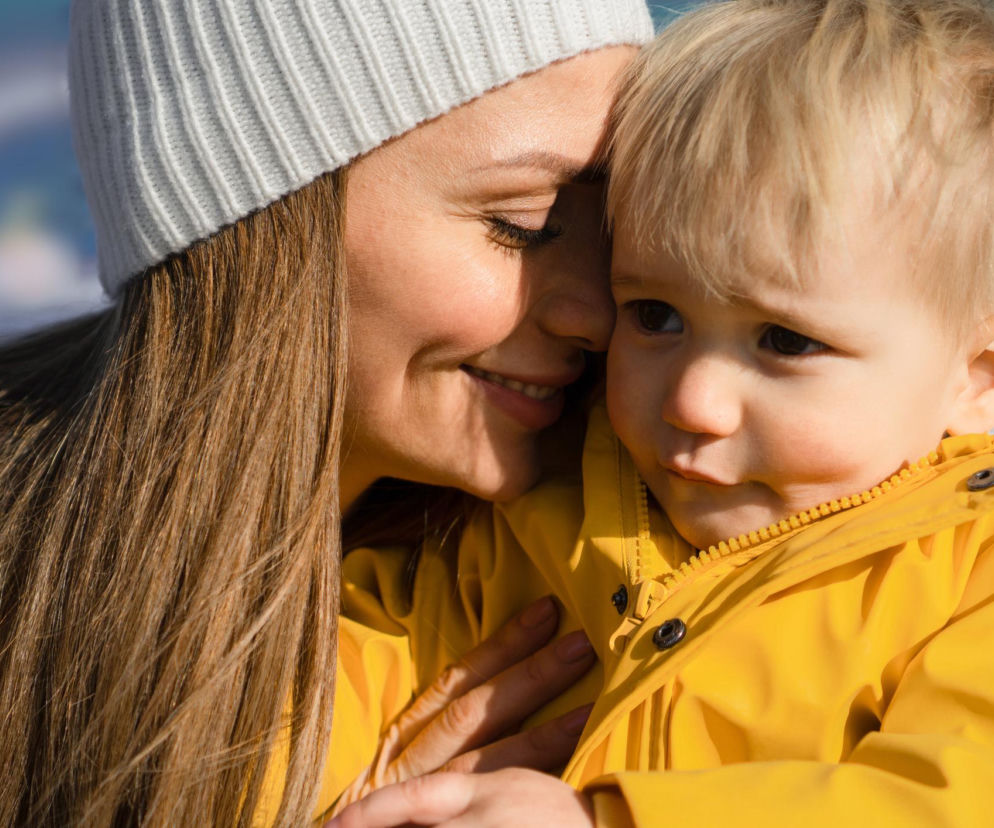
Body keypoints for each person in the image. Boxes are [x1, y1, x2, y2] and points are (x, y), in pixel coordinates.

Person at [330, 0, 994, 824]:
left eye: (785, 341)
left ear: (978, 378)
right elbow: (351, 662)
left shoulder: (968, 575)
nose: (692, 400)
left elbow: (945, 799)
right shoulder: (543, 518)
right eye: (655, 316)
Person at [0, 1, 653, 824]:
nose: (598, 313)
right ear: (257, 213)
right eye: (522, 225)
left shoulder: (604, 565)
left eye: (620, 231)